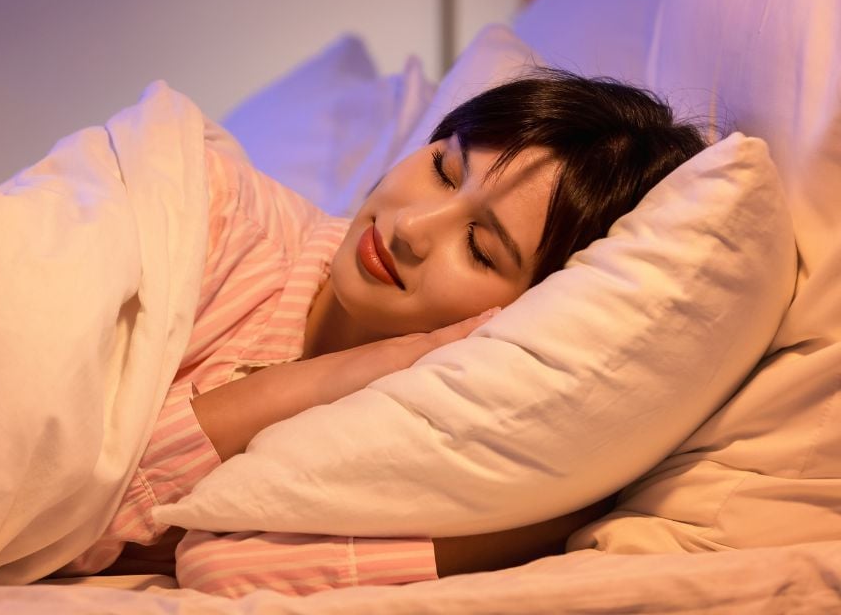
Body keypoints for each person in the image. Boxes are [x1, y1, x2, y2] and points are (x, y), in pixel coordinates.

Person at [56, 69, 708, 595]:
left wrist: (558, 515)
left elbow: (224, 566)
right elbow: (64, 501)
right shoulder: (222, 227)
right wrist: (356, 367)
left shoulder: (423, 428)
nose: (412, 227)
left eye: (480, 248)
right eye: (443, 169)